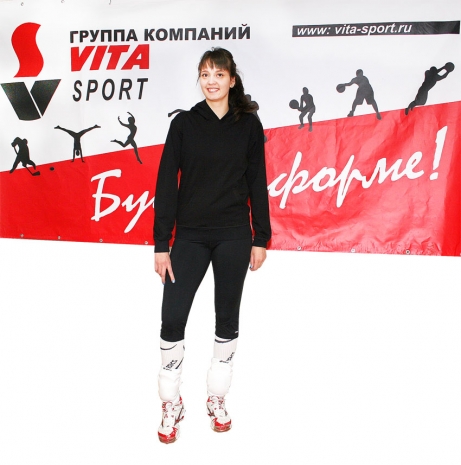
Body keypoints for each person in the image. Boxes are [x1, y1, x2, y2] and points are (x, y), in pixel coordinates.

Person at [153, 47, 271, 444]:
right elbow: (166, 182)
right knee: (172, 319)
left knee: (227, 318)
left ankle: (217, 398)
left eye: (219, 74)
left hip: (234, 235)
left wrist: (261, 237)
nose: (211, 80)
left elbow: (257, 180)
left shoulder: (248, 125)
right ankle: (171, 402)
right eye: (205, 74)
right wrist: (161, 243)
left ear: (232, 80)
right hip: (189, 236)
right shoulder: (184, 124)